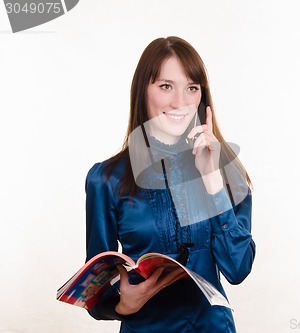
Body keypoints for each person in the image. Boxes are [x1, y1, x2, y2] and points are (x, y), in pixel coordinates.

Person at [85, 36, 256, 333]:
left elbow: (238, 269)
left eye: (192, 88)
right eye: (166, 86)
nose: (181, 102)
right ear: (143, 91)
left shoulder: (225, 170)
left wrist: (212, 180)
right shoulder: (106, 179)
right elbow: (95, 287)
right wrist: (123, 305)